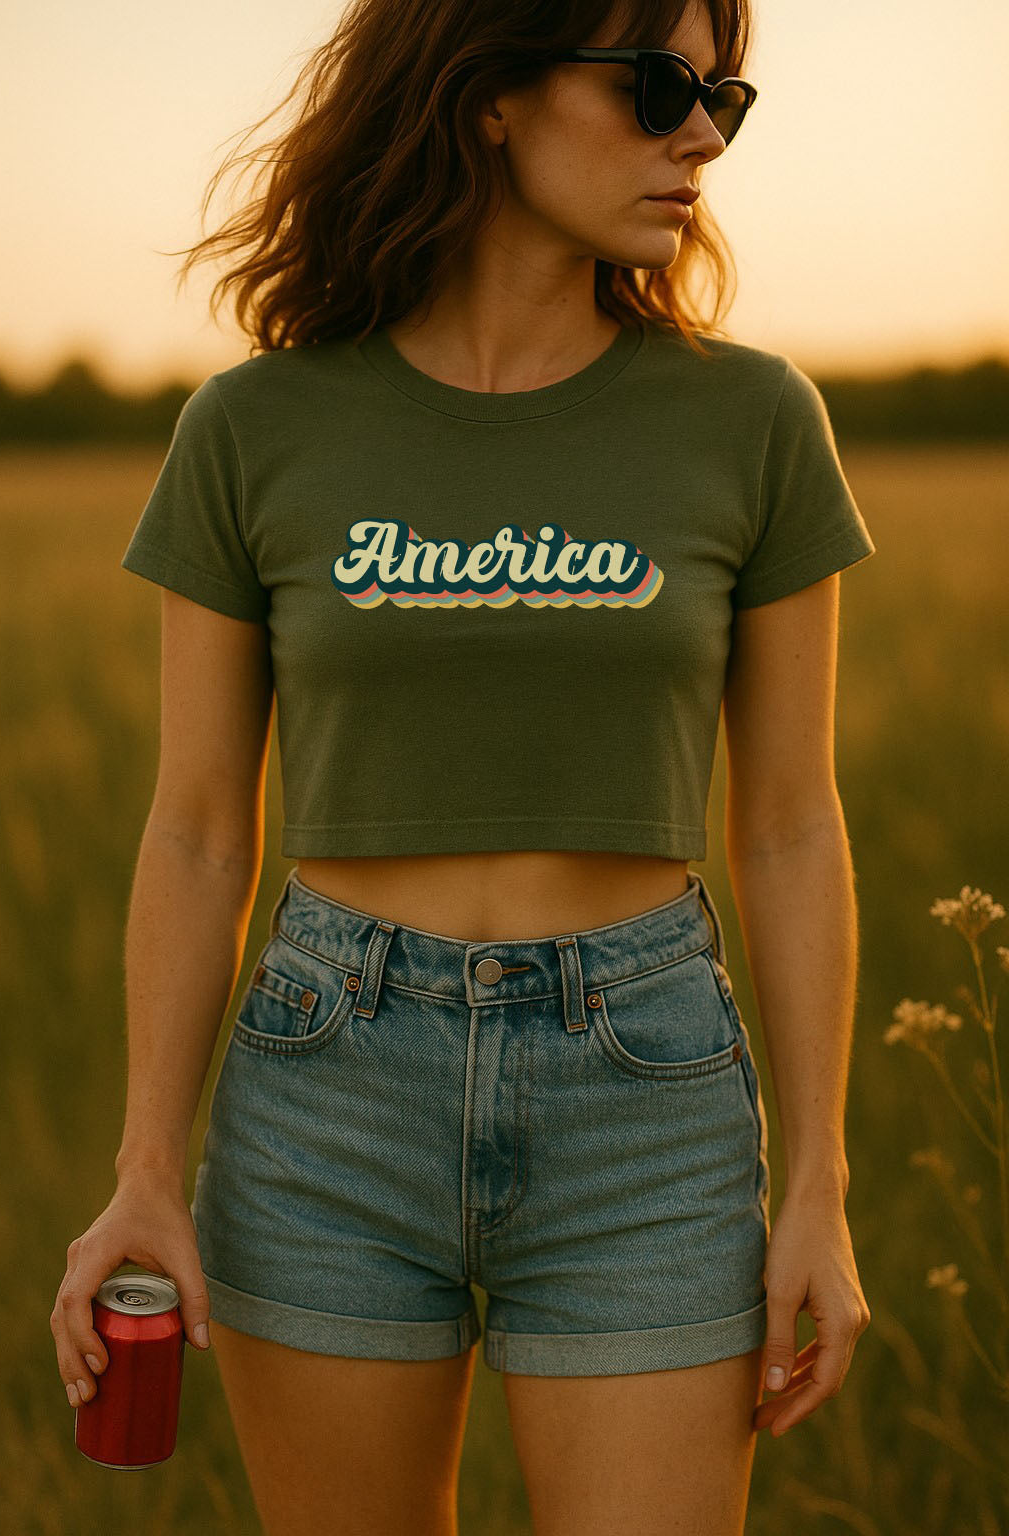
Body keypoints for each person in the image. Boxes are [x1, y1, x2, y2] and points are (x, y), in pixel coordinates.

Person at [51, 0, 874, 1529]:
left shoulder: (754, 422)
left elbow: (786, 827)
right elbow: (197, 835)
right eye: (655, 87)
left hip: (648, 1097)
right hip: (326, 1092)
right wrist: (147, 1166)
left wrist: (818, 1182)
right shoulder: (256, 427)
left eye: (723, 98)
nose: (699, 133)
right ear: (488, 98)